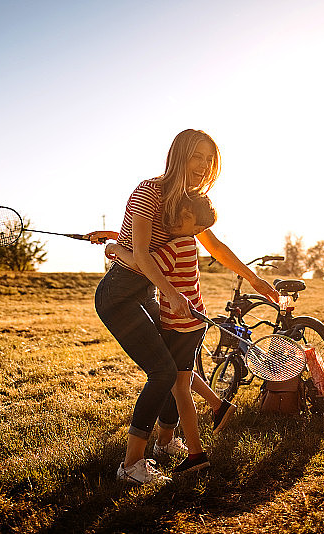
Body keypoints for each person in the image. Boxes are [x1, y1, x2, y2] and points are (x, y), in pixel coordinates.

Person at [88, 129, 279, 485]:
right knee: (163, 372)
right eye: (196, 156)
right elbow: (143, 254)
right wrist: (171, 293)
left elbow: (216, 247)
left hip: (146, 292)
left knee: (176, 368)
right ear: (179, 156)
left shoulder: (190, 202)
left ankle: (167, 442)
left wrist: (253, 279)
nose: (203, 165)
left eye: (209, 159)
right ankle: (130, 465)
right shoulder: (149, 191)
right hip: (119, 295)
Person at [104, 194, 221, 475]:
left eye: (190, 220)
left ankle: (192, 453)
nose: (179, 217)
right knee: (176, 375)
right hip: (190, 325)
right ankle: (173, 439)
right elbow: (145, 243)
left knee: (173, 379)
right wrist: (117, 238)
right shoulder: (187, 242)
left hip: (180, 325)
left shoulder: (177, 246)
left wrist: (115, 248)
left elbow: (142, 262)